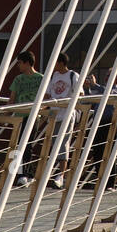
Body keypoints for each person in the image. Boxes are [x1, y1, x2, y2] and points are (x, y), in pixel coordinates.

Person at [45, 52, 80, 191]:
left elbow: (80, 93)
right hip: (54, 115)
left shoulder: (73, 76)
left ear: (60, 62)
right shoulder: (54, 76)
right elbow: (48, 94)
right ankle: (58, 175)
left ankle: (61, 175)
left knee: (63, 144)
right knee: (54, 144)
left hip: (66, 115)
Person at [9, 50, 43, 187]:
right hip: (18, 116)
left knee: (27, 144)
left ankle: (25, 175)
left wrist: (42, 110)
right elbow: (12, 99)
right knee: (16, 145)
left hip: (33, 115)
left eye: (19, 63)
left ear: (27, 63)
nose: (18, 66)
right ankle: (16, 175)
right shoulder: (18, 79)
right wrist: (6, 113)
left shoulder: (41, 78)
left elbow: (46, 98)